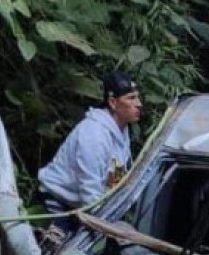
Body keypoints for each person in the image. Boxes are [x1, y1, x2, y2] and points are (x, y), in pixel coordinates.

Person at [37, 71, 142, 215]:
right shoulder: (94, 134)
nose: (139, 104)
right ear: (113, 103)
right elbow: (89, 187)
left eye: (137, 98)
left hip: (82, 205)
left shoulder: (121, 131)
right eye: (131, 98)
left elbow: (115, 177)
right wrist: (102, 221)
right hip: (58, 202)